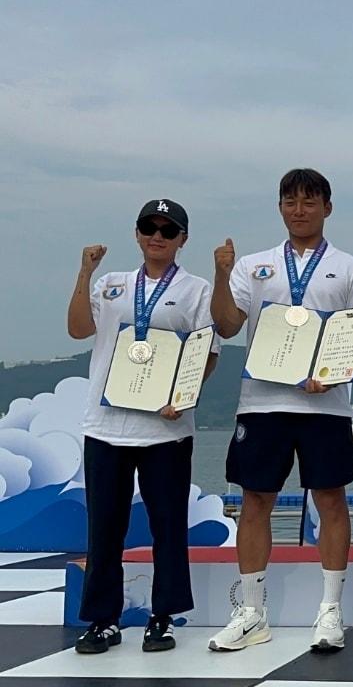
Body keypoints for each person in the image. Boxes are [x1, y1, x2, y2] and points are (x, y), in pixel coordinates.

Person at [208, 169, 353, 653]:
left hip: (326, 404)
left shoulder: (350, 268)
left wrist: (334, 371)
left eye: (309, 201)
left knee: (330, 500)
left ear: (327, 206)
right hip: (263, 401)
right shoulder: (252, 266)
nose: (299, 210)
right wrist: (221, 272)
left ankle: (330, 610)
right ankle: (251, 612)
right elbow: (226, 321)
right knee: (256, 501)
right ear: (280, 207)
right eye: (290, 201)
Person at [68, 199, 218, 654]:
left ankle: (163, 615)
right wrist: (84, 273)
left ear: (182, 240)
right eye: (149, 227)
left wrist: (182, 395)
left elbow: (205, 354)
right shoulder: (112, 284)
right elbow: (77, 330)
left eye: (167, 230)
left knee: (168, 525)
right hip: (107, 423)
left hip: (165, 429)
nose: (158, 236)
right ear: (136, 234)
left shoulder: (196, 290)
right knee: (105, 528)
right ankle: (102, 619)